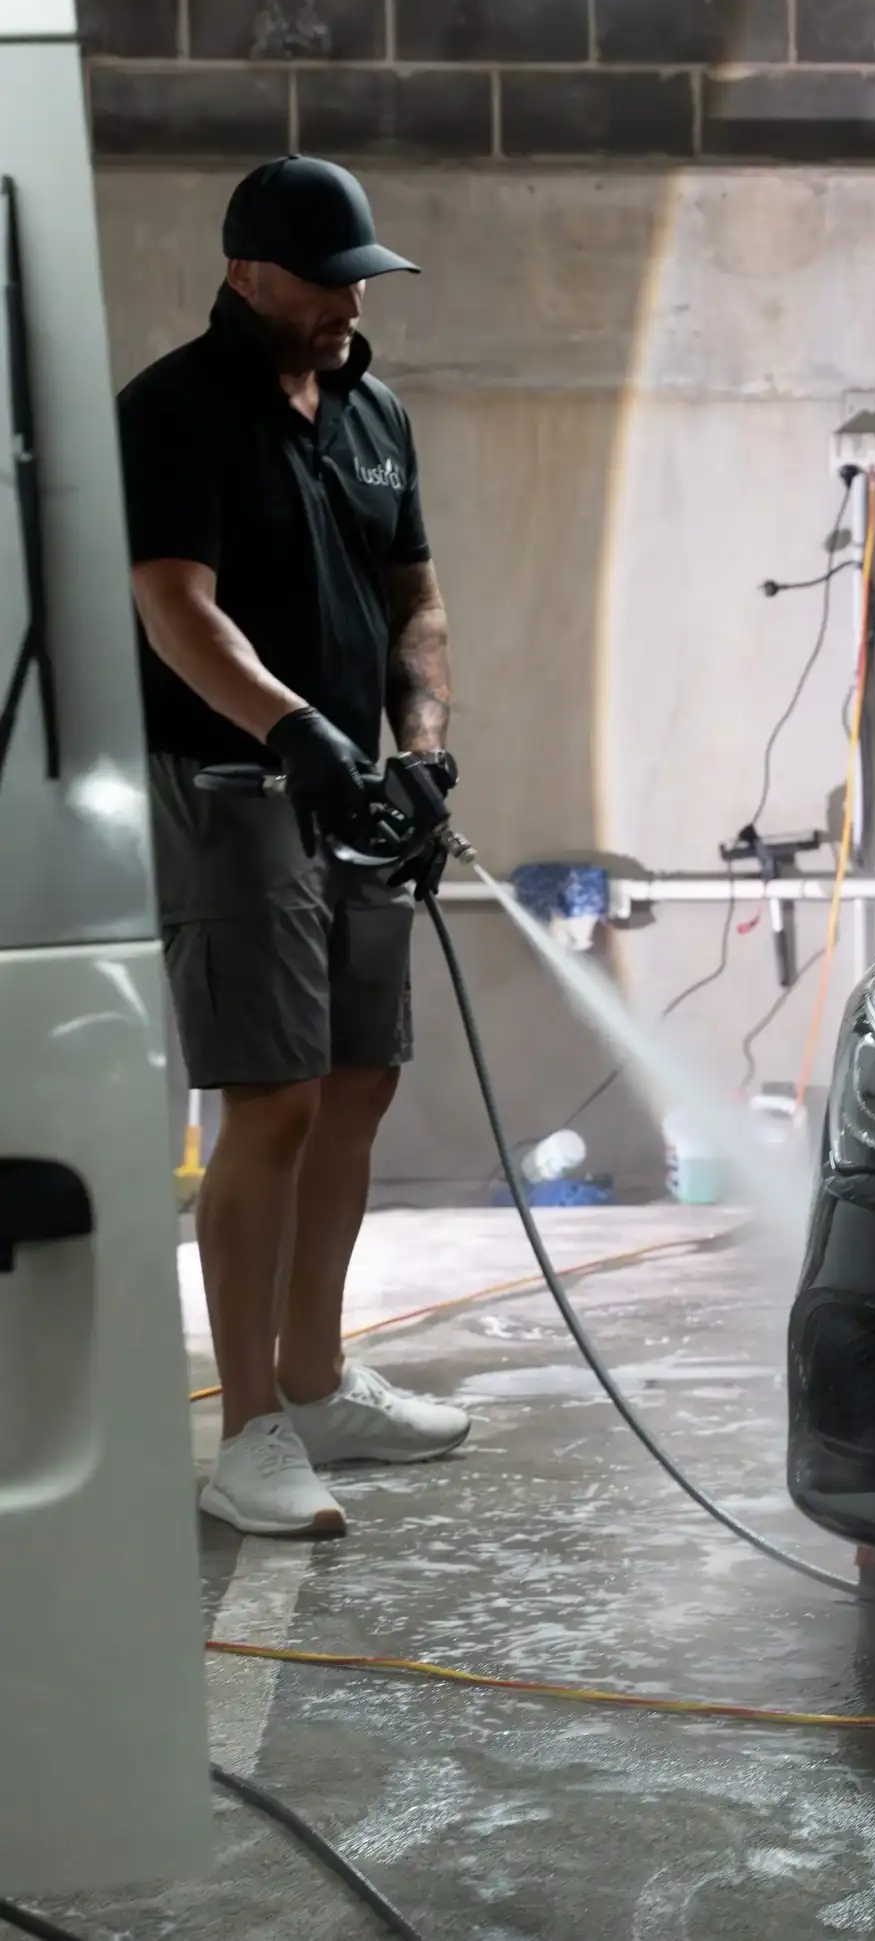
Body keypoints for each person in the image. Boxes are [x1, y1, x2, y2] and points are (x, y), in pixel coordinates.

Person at [121, 155, 471, 1539]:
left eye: (360, 281)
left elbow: (416, 598)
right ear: (245, 272)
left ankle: (319, 1382)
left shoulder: (375, 412)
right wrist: (294, 730)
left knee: (358, 1084)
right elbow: (175, 606)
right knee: (270, 1103)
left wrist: (419, 744)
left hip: (353, 791)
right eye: (325, 283)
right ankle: (250, 1432)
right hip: (230, 791)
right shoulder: (174, 410)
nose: (348, 304)